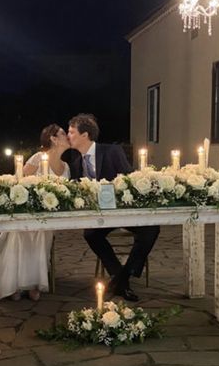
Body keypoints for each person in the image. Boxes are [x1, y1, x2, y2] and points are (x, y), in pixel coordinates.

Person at [65, 113, 159, 302]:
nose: (68, 136)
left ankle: (123, 277)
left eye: (71, 132)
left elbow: (129, 178)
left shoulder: (111, 151)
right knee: (90, 235)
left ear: (85, 135)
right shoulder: (75, 163)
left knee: (151, 229)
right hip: (99, 216)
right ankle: (120, 277)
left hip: (122, 211)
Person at [0, 124, 70, 302]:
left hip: (47, 217)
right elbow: (19, 182)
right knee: (22, 235)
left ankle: (33, 284)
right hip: (27, 212)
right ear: (53, 139)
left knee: (42, 234)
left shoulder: (66, 166)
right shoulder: (38, 158)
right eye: (63, 133)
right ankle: (14, 283)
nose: (67, 136)